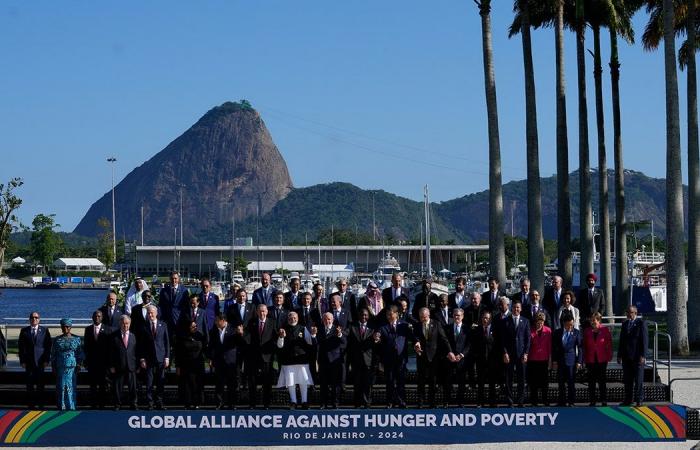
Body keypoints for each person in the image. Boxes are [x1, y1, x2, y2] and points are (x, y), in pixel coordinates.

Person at [413, 307, 451, 408]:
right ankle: (420, 403)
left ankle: (432, 403)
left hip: (433, 357)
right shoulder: (417, 325)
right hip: (421, 357)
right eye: (421, 317)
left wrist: (450, 351)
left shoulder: (436, 324)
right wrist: (416, 343)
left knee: (432, 381)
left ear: (428, 315)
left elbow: (444, 339)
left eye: (424, 317)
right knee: (421, 381)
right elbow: (415, 337)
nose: (423, 319)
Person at [374, 305, 411, 408]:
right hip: (389, 359)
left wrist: (417, 343)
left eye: (391, 314)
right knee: (389, 382)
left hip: (401, 358)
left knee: (401, 382)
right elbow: (378, 336)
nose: (389, 316)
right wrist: (377, 338)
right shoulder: (383, 327)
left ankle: (402, 401)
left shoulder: (404, 325)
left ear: (396, 314)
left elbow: (412, 337)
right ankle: (390, 402)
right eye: (387, 314)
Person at [276, 312, 315, 409]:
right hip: (288, 360)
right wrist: (281, 337)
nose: (292, 319)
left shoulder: (303, 328)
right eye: (290, 317)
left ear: (297, 318)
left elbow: (310, 342)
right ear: (287, 318)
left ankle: (304, 401)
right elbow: (279, 345)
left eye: (294, 317)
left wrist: (313, 335)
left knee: (303, 381)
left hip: (302, 359)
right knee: (291, 382)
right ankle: (293, 402)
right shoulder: (283, 329)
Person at [244, 304, 278, 409]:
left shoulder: (272, 322)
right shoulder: (252, 322)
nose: (262, 313)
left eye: (264, 311)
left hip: (267, 357)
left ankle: (266, 404)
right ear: (257, 312)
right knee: (252, 382)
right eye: (260, 311)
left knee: (267, 382)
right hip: (253, 357)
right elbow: (247, 337)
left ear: (267, 312)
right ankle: (252, 404)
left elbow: (275, 338)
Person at [207, 314, 245, 409]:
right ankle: (219, 403)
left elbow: (240, 344)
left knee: (232, 384)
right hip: (219, 361)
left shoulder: (233, 329)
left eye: (217, 321)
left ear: (223, 320)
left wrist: (240, 334)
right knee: (219, 384)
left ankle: (232, 404)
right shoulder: (213, 331)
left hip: (231, 362)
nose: (215, 323)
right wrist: (211, 358)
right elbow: (211, 346)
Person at [18, 311, 51, 409]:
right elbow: (21, 347)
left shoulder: (45, 330)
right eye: (32, 317)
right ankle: (31, 405)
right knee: (30, 385)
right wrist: (22, 361)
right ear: (29, 319)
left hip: (40, 362)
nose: (34, 319)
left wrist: (46, 360)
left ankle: (41, 405)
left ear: (39, 319)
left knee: (40, 385)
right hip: (28, 362)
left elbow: (48, 346)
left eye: (36, 317)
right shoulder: (24, 331)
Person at [139, 304, 170, 410]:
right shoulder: (144, 327)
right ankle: (150, 403)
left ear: (156, 313)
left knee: (160, 382)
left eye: (152, 312)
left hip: (161, 358)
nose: (150, 314)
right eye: (148, 313)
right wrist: (142, 358)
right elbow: (141, 344)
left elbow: (166, 342)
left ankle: (159, 402)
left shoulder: (163, 325)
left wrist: (167, 357)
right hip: (149, 358)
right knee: (149, 382)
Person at [314, 312, 347, 409]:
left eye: (329, 319)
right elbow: (315, 343)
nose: (327, 321)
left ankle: (335, 403)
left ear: (332, 320)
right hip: (323, 361)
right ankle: (323, 403)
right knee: (323, 384)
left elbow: (344, 342)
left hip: (335, 361)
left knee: (335, 385)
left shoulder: (337, 329)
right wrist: (313, 335)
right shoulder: (319, 330)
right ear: (322, 320)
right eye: (325, 319)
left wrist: (340, 334)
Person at [501, 301, 531, 407]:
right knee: (508, 379)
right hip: (509, 355)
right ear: (511, 308)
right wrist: (505, 353)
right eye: (514, 307)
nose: (516, 309)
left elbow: (528, 339)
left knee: (521, 379)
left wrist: (526, 353)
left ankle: (521, 401)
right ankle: (510, 401)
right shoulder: (505, 321)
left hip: (521, 355)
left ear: (521, 309)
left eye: (518, 307)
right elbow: (502, 339)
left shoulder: (526, 321)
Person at [50, 318, 83, 410]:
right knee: (61, 387)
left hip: (72, 368)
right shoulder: (57, 339)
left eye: (67, 327)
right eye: (63, 327)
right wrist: (53, 366)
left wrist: (79, 365)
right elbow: (53, 354)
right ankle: (61, 406)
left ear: (70, 327)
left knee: (71, 387)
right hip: (60, 367)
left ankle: (71, 406)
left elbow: (80, 353)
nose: (65, 328)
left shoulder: (77, 339)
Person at [618, 305, 648, 406]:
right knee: (628, 380)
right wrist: (619, 355)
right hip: (626, 357)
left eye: (630, 312)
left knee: (638, 379)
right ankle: (628, 399)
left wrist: (643, 355)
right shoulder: (625, 324)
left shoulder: (641, 323)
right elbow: (621, 341)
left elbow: (644, 341)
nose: (628, 314)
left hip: (637, 356)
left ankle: (639, 400)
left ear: (635, 313)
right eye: (627, 312)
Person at [347, 308, 376, 408]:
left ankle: (367, 402)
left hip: (369, 360)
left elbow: (376, 344)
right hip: (356, 360)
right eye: (362, 315)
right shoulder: (352, 326)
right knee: (357, 383)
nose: (364, 317)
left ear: (368, 316)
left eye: (365, 315)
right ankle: (357, 403)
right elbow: (349, 343)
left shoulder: (373, 327)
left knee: (368, 384)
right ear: (358, 316)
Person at [552, 314, 583, 406]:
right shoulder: (557, 332)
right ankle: (561, 401)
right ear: (564, 323)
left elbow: (580, 348)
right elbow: (554, 348)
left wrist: (579, 361)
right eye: (568, 325)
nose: (570, 327)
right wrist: (554, 361)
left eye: (572, 325)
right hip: (560, 361)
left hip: (571, 361)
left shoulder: (576, 332)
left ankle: (571, 402)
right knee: (561, 383)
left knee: (571, 382)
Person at [584, 312, 613, 406]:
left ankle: (603, 400)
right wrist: (584, 359)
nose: (592, 322)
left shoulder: (605, 330)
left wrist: (609, 356)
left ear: (599, 320)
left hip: (602, 359)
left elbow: (609, 344)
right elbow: (584, 346)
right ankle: (592, 400)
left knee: (602, 381)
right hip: (590, 359)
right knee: (591, 381)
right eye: (591, 320)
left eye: (594, 320)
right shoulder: (587, 331)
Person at [176, 320, 206, 409]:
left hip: (198, 364)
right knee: (187, 385)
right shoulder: (182, 337)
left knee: (197, 384)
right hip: (186, 365)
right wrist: (178, 366)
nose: (194, 328)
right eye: (192, 326)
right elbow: (178, 353)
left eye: (195, 326)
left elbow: (204, 349)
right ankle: (187, 403)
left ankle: (197, 403)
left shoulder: (200, 336)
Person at [470, 311, 498, 407]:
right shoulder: (476, 330)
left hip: (492, 360)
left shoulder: (495, 330)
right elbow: (473, 345)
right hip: (480, 360)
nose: (485, 320)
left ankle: (492, 402)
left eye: (487, 318)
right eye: (483, 318)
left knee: (492, 383)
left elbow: (498, 344)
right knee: (480, 383)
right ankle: (480, 402)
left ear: (490, 319)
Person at [110, 315, 138, 410]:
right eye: (123, 323)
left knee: (133, 387)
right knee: (118, 387)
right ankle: (118, 404)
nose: (125, 325)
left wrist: (137, 366)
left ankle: (133, 404)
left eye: (127, 324)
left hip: (131, 366)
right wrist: (112, 365)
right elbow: (111, 352)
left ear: (130, 324)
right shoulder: (114, 336)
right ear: (120, 324)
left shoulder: (133, 336)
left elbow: (136, 352)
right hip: (118, 366)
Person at [84, 310, 110, 409]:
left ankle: (102, 405)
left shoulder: (107, 329)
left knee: (103, 385)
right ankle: (93, 405)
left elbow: (109, 348)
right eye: (95, 316)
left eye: (99, 316)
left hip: (103, 363)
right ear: (92, 318)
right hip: (92, 363)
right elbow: (86, 346)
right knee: (93, 385)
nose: (97, 318)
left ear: (102, 317)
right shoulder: (88, 329)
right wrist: (86, 361)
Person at [443, 308, 469, 407]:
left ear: (462, 316)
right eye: (454, 315)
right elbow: (444, 342)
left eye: (458, 315)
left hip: (461, 359)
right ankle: (446, 401)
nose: (456, 317)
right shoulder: (447, 328)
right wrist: (448, 353)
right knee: (447, 382)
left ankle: (460, 402)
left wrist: (462, 355)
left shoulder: (467, 329)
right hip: (450, 359)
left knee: (461, 382)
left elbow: (469, 344)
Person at [528, 312, 552, 406]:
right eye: (538, 321)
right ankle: (534, 401)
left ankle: (545, 400)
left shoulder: (548, 331)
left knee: (544, 382)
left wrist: (550, 360)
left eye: (541, 321)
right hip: (533, 360)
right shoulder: (530, 330)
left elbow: (550, 346)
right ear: (535, 321)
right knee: (533, 382)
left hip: (544, 360)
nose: (540, 323)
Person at [159, 271, 190, 341]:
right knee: (168, 340)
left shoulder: (184, 291)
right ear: (170, 279)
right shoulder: (164, 291)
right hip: (167, 321)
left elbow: (187, 307)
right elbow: (160, 306)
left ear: (178, 279)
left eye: (175, 278)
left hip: (180, 321)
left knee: (180, 341)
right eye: (172, 278)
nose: (174, 280)